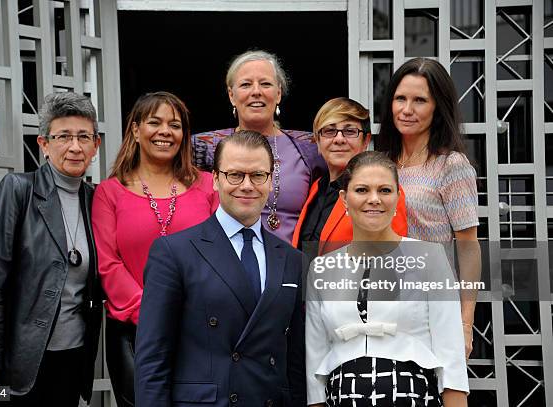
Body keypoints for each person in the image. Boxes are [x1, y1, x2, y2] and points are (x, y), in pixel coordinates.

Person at [135, 130, 306, 406]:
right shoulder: (174, 252)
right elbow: (153, 359)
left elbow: (295, 361)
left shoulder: (292, 259)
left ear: (271, 180)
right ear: (215, 179)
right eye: (235, 175)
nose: (247, 185)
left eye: (258, 175)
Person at [0, 92, 103, 406]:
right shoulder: (18, 190)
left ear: (96, 145)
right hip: (13, 358)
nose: (74, 146)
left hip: (71, 356)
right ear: (43, 144)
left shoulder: (97, 200)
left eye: (84, 136)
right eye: (63, 136)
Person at [305, 151, 469, 407]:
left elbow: (452, 360)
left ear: (397, 197)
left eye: (384, 190)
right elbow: (315, 359)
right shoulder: (321, 269)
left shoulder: (430, 258)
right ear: (344, 199)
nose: (374, 199)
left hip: (414, 396)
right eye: (361, 190)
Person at [92, 91, 218, 407]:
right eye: (154, 122)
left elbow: (221, 254)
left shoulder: (207, 185)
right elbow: (108, 264)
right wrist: (151, 313)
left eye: (175, 125)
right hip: (134, 333)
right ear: (135, 130)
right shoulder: (110, 192)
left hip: (201, 329)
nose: (165, 132)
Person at [377, 57, 481, 358]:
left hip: (433, 305)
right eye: (400, 98)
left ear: (438, 108)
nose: (407, 110)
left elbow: (469, 248)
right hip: (383, 303)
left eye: (419, 100)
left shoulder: (451, 165)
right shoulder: (381, 162)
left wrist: (465, 322)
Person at [192, 49, 325, 242]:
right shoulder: (203, 149)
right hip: (224, 263)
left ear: (278, 93)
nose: (256, 92)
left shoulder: (311, 149)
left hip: (292, 264)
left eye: (265, 84)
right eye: (246, 84)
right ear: (231, 95)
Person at [292, 97, 407, 258]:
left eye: (350, 131)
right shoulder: (316, 187)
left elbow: (392, 257)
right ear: (317, 141)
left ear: (366, 140)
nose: (339, 139)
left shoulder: (385, 192)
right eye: (329, 131)